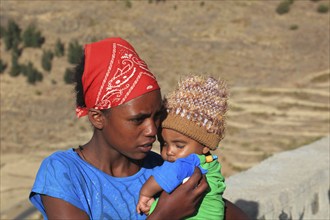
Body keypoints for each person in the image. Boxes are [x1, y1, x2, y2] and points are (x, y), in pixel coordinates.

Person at [29, 37, 249, 220]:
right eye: (138, 119)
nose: (152, 130)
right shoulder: (63, 173)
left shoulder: (163, 166)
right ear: (97, 117)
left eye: (156, 117)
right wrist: (164, 215)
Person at [136, 76, 227, 219]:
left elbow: (165, 176)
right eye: (164, 143)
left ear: (205, 146)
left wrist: (145, 193)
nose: (169, 151)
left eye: (179, 146)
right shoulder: (211, 163)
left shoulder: (189, 163)